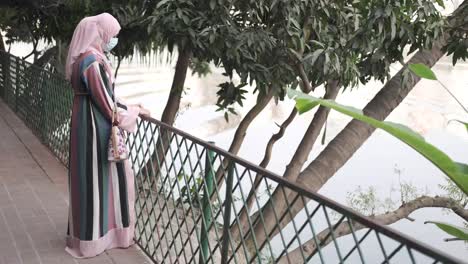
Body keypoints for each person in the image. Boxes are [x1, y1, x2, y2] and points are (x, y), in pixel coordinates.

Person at [64, 13, 149, 258]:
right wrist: (133, 112)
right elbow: (107, 104)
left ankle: (94, 236)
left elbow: (105, 95)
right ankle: (96, 239)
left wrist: (129, 107)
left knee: (90, 180)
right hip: (95, 128)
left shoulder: (86, 58)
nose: (113, 39)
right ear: (100, 33)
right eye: (111, 35)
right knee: (97, 180)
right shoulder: (92, 61)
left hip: (85, 123)